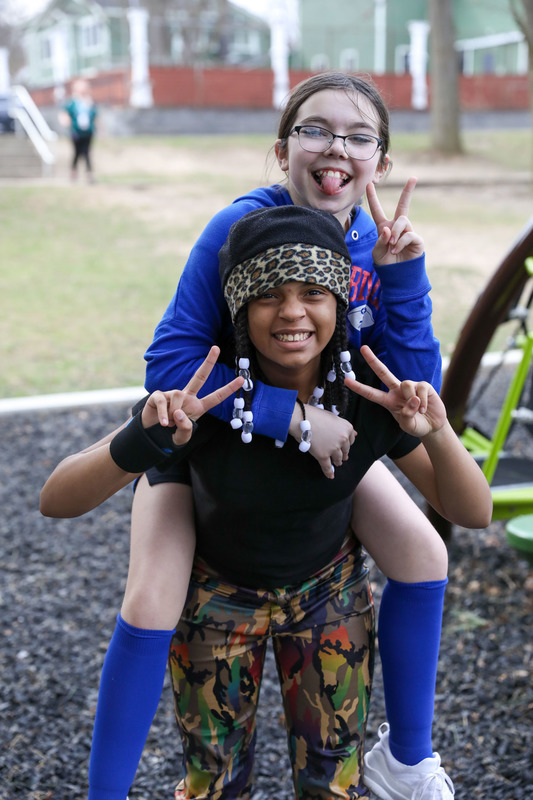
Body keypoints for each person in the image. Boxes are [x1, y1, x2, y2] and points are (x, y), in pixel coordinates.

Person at [41, 207, 492, 800]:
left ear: (340, 305)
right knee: (214, 785)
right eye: (268, 295)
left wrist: (437, 431)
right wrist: (145, 437)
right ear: (238, 311)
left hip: (327, 597)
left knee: (334, 785)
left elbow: (472, 511)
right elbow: (57, 498)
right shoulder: (209, 404)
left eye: (313, 293)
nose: (292, 312)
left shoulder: (362, 397)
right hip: (218, 601)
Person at [141, 71, 461, 799]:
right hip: (214, 436)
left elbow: (413, 392)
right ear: (283, 149)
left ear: (380, 162)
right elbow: (168, 363)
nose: (336, 147)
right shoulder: (238, 228)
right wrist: (288, 416)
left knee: (423, 554)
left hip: (331, 441)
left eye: (359, 136)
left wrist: (404, 278)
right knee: (149, 600)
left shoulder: (377, 242)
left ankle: (406, 759)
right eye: (316, 129)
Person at [58, 78, 98, 183]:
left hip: (88, 132)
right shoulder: (72, 102)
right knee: (77, 152)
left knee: (87, 152)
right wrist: (65, 120)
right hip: (76, 131)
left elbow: (94, 114)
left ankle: (89, 173)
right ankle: (74, 171)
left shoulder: (89, 102)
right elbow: (64, 112)